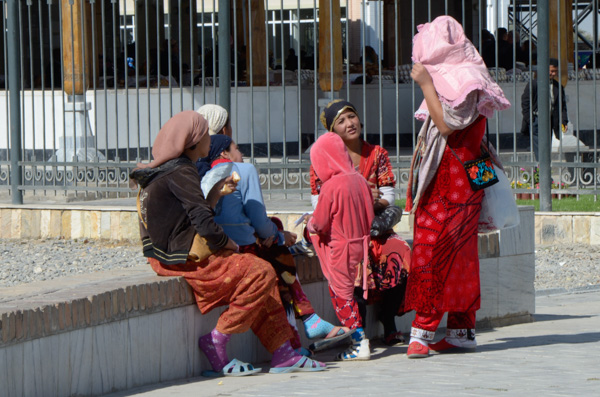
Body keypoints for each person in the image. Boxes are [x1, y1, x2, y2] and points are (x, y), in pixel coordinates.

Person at [129, 110, 325, 376]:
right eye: (205, 133)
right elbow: (203, 223)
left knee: (260, 277)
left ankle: (283, 353)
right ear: (194, 141)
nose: (210, 138)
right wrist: (228, 244)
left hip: (174, 254)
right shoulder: (181, 171)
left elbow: (190, 215)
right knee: (261, 272)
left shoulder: (167, 170)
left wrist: (215, 196)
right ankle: (217, 340)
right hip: (183, 260)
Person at [405, 16, 510, 359]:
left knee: (432, 249)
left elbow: (447, 125)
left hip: (453, 180)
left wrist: (425, 85)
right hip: (467, 173)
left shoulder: (463, 78)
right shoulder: (464, 73)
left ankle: (423, 330)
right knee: (459, 252)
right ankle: (461, 332)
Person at [198, 132, 354, 354]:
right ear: (225, 152)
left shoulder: (204, 176)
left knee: (276, 243)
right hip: (245, 248)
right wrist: (279, 236)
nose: (241, 153)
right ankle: (302, 329)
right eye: (237, 148)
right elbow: (258, 220)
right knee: (280, 255)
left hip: (219, 248)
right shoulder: (243, 170)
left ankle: (302, 332)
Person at [309, 100, 412, 349]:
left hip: (376, 228)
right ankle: (360, 331)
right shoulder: (322, 161)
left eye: (351, 117)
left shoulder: (377, 154)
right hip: (345, 233)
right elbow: (318, 204)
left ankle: (389, 322)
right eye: (341, 121)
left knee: (401, 252)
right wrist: (362, 196)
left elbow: (388, 197)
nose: (349, 124)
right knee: (355, 265)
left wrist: (370, 201)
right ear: (333, 132)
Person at [307, 132, 374, 361]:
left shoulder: (331, 186)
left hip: (341, 248)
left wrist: (309, 222)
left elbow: (320, 223)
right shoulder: (360, 180)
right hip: (361, 246)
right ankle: (358, 340)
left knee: (341, 295)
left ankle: (359, 342)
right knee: (350, 292)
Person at [520, 58, 569, 161]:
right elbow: (525, 101)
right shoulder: (534, 84)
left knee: (547, 147)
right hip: (537, 120)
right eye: (551, 71)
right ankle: (541, 171)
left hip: (550, 121)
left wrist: (564, 121)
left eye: (555, 71)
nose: (553, 73)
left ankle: (544, 171)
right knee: (539, 148)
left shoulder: (557, 87)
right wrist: (530, 119)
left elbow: (562, 106)